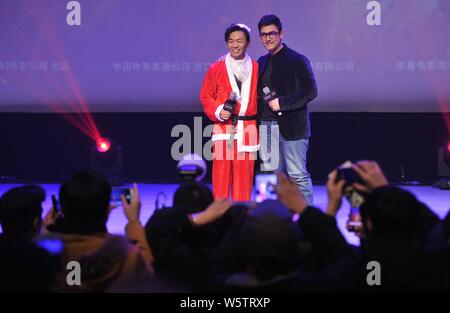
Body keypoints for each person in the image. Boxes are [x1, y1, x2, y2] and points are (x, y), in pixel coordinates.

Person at [257, 14, 318, 205]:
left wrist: (282, 103)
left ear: (281, 34)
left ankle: (306, 221)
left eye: (272, 33)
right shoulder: (261, 62)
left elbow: (311, 91)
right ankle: (273, 221)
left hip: (293, 128)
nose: (268, 38)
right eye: (263, 35)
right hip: (266, 126)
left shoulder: (298, 60)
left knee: (297, 175)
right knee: (271, 177)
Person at [200, 23, 259, 201]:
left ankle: (241, 217)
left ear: (247, 43)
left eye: (239, 41)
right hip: (223, 128)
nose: (235, 45)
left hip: (247, 129)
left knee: (244, 178)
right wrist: (218, 111)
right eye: (231, 41)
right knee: (221, 176)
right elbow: (206, 96)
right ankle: (220, 218)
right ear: (226, 43)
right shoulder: (215, 69)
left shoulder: (257, 67)